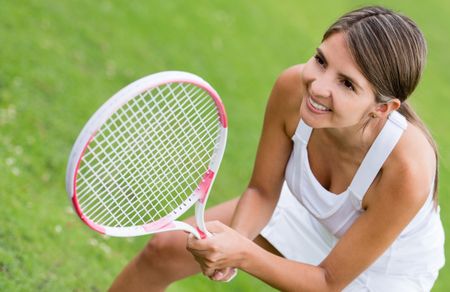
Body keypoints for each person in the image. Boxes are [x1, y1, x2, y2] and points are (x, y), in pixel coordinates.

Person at [110, 6, 445, 291]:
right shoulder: (292, 88)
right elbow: (262, 190)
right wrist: (233, 240)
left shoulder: (406, 170)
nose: (318, 86)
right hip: (308, 218)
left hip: (386, 267)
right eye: (320, 60)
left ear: (383, 108)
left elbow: (327, 281)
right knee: (163, 250)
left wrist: (242, 253)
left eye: (346, 83)